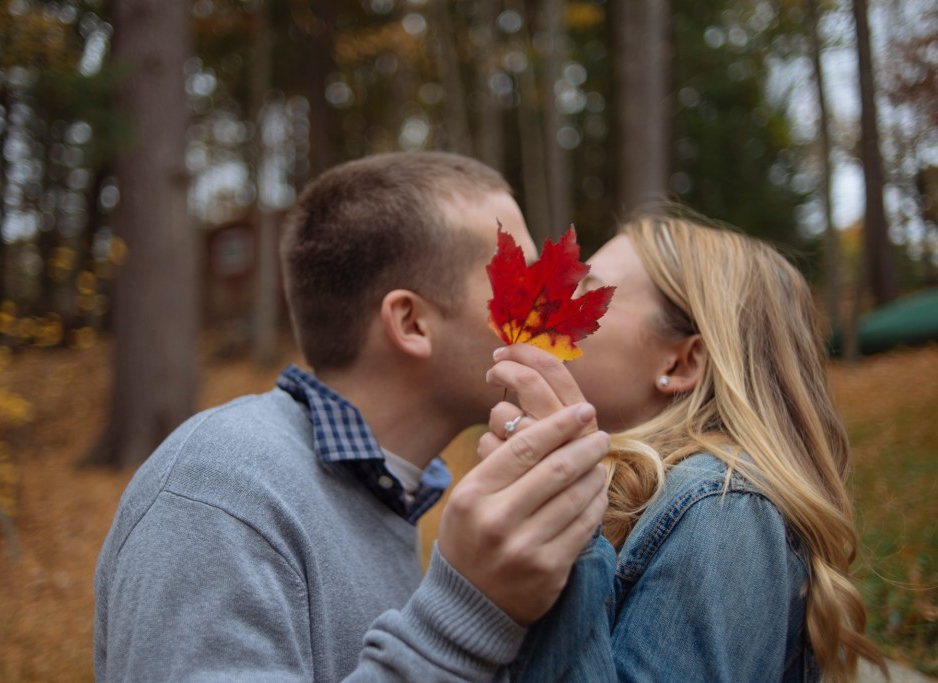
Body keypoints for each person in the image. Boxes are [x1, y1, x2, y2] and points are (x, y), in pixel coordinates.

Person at [92, 151, 612, 681]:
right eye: (516, 276)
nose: (548, 300)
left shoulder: (389, 499)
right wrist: (464, 617)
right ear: (411, 323)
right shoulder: (221, 491)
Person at [482, 214, 887, 681]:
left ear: (681, 361)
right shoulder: (637, 498)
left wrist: (564, 533)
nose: (550, 303)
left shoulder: (723, 508)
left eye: (586, 292)